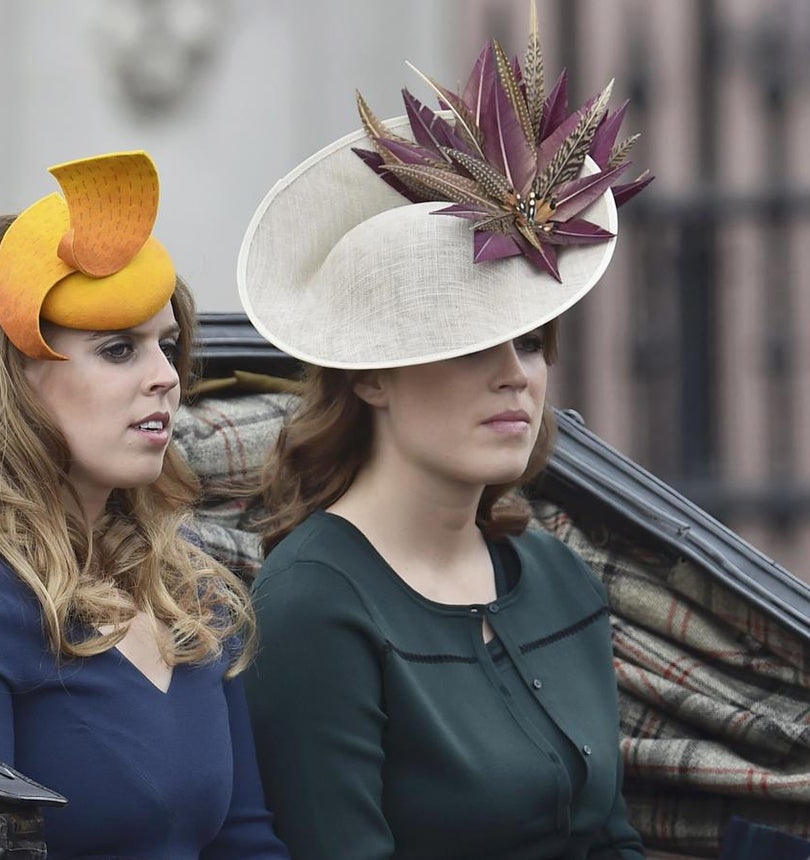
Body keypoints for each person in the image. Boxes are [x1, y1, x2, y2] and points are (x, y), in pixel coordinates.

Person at [236, 5, 652, 859]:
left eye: (532, 342)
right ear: (370, 375)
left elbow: (613, 840)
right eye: (468, 345)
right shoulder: (314, 606)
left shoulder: (556, 577)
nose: (516, 375)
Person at [0, 152, 289, 860]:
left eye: (167, 346)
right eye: (118, 350)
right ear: (8, 378)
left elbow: (245, 841)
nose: (166, 379)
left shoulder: (191, 589)